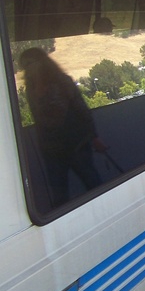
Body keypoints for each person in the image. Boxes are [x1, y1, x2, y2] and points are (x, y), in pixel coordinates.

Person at [19, 47, 106, 208]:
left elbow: (82, 110)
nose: (27, 69)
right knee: (59, 196)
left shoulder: (62, 82)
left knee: (93, 183)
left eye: (30, 63)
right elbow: (39, 120)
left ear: (41, 63)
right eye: (24, 66)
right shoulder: (30, 90)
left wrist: (94, 137)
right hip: (51, 150)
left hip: (76, 145)